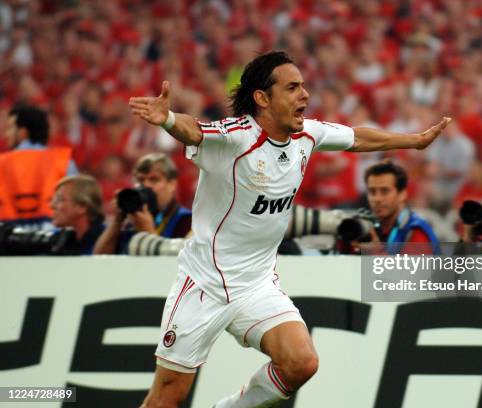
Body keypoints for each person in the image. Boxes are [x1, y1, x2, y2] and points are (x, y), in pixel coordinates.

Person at [128, 51, 450, 408]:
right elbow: (194, 129)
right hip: (204, 284)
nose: (305, 95)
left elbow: (357, 138)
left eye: (304, 86)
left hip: (256, 284)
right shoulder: (235, 138)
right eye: (293, 87)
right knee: (166, 399)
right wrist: (168, 119)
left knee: (301, 362)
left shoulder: (306, 134)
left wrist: (414, 140)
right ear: (263, 99)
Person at [93, 153, 191, 254]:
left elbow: (175, 264)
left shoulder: (186, 221)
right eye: (140, 180)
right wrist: (116, 222)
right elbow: (99, 259)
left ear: (172, 184)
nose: (146, 185)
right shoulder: (131, 218)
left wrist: (148, 232)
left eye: (154, 179)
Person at [0, 105, 78, 229]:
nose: (6, 134)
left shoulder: (1, 164)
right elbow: (76, 209)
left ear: (22, 133)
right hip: (54, 241)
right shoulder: (64, 163)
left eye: (10, 128)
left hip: (7, 241)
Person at [0, 174, 105, 255]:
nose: (52, 205)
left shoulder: (112, 240)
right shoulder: (61, 240)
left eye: (60, 199)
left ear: (82, 207)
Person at [365, 160, 439, 254]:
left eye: (385, 191)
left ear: (402, 195)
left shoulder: (415, 231)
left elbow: (412, 268)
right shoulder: (371, 229)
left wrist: (376, 252)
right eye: (372, 192)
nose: (377, 199)